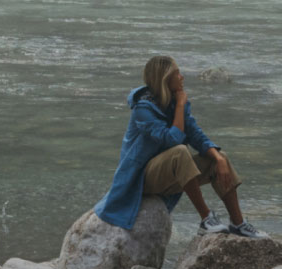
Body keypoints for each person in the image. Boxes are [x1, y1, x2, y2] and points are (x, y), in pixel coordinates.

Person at [93, 54, 267, 237]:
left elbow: (196, 135)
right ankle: (206, 219)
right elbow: (172, 140)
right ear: (165, 79)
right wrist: (180, 106)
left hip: (169, 171)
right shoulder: (143, 109)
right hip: (141, 178)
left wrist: (218, 158)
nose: (182, 77)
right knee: (180, 151)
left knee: (219, 157)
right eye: (177, 74)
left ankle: (238, 224)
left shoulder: (174, 102)